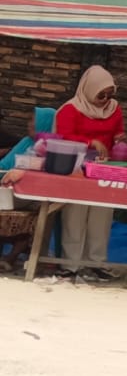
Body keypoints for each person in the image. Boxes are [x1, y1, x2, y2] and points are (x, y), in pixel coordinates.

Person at [54, 65, 125, 283]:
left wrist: (121, 140)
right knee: (74, 216)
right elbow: (61, 137)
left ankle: (96, 262)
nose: (105, 99)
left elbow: (117, 133)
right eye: (100, 94)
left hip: (105, 168)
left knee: (102, 216)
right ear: (88, 90)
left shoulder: (114, 108)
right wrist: (89, 142)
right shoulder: (70, 109)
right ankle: (70, 265)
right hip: (76, 168)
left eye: (109, 94)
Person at [0, 108, 56, 272]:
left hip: (31, 195)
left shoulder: (50, 148)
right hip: (8, 189)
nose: (29, 124)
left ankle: (12, 256)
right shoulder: (25, 142)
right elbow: (4, 166)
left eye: (33, 120)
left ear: (44, 124)